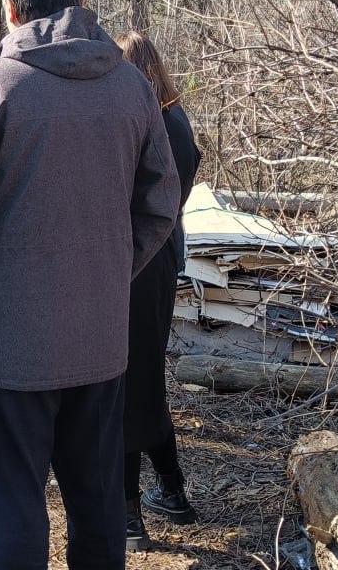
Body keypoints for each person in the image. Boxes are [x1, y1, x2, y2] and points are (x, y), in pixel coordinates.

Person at [0, 0, 181, 570]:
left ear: (11, 9)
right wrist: (110, 272)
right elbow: (161, 204)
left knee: (12, 498)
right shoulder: (133, 88)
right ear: (80, 2)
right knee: (97, 497)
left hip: (12, 344)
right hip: (100, 338)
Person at [116, 31, 202, 551]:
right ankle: (173, 490)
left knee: (125, 381)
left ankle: (128, 514)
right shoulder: (175, 119)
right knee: (144, 379)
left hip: (137, 261)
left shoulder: (150, 124)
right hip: (161, 259)